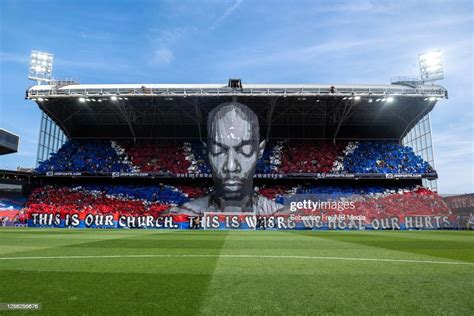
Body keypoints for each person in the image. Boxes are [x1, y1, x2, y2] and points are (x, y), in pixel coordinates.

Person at [166, 102, 286, 215]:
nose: (230, 166)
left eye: (244, 150)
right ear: (206, 152)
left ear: (259, 152)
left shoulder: (281, 214)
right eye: (218, 151)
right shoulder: (184, 213)